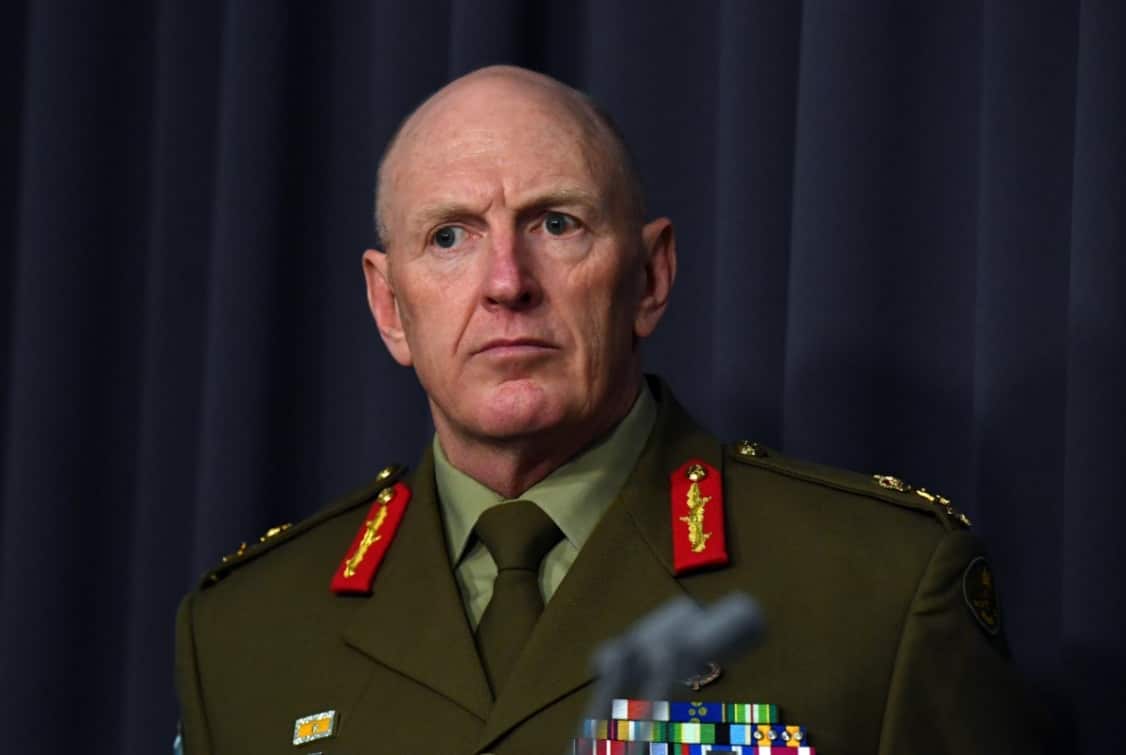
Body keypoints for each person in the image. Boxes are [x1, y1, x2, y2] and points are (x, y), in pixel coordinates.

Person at [174, 65, 1039, 755]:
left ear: (651, 277)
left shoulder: (877, 592)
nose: (506, 282)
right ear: (390, 306)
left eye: (557, 223)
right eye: (450, 236)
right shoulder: (244, 635)